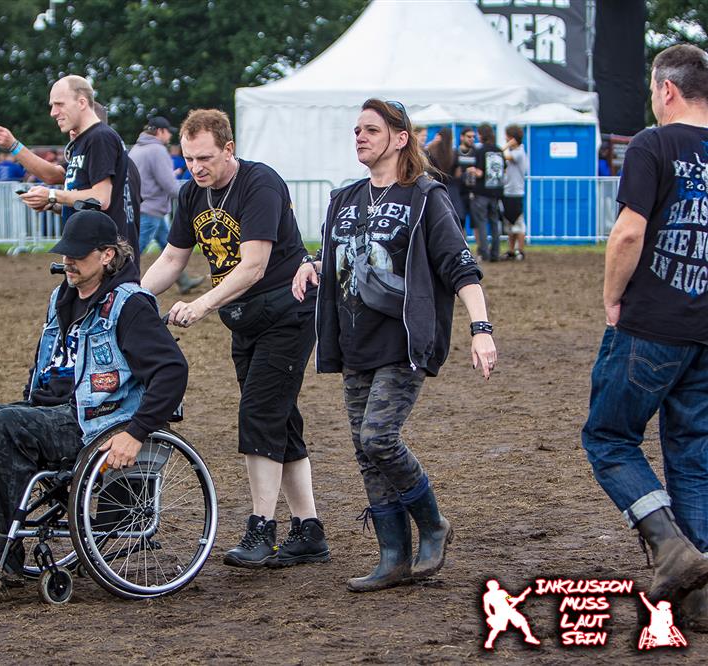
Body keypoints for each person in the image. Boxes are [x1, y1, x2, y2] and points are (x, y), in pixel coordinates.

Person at [0, 210, 187, 583]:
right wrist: (30, 397)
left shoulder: (129, 304)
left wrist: (137, 432)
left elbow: (172, 370)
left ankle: (2, 554)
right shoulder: (61, 297)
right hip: (48, 410)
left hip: (95, 420)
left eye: (77, 253)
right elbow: (44, 362)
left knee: (6, 425)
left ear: (107, 255)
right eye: (64, 253)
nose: (67, 261)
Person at [292, 98, 495, 592]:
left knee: (378, 437)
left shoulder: (425, 195)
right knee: (366, 452)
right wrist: (313, 264)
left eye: (370, 129)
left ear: (400, 138)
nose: (358, 137)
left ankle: (432, 523)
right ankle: (392, 556)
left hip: (403, 342)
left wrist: (481, 329)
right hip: (352, 341)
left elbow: (459, 265)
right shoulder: (344, 198)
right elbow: (339, 255)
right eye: (356, 130)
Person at [142, 108, 330, 569]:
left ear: (229, 149)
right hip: (244, 319)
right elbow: (172, 258)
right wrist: (131, 297)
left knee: (259, 415)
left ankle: (260, 527)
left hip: (287, 313)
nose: (196, 167)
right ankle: (309, 530)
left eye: (205, 157)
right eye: (187, 159)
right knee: (279, 419)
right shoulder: (191, 196)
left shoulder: (260, 184)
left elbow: (254, 266)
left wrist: (203, 304)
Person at [580, 43, 708, 627]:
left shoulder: (654, 144)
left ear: (666, 90)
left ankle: (668, 544)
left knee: (608, 436)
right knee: (693, 456)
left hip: (652, 322)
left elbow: (628, 234)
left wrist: (612, 297)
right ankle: (702, 597)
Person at [0, 75, 139, 256]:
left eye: (59, 104)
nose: (53, 112)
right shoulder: (89, 142)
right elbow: (54, 177)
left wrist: (51, 195)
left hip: (102, 255)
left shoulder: (100, 138)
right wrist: (52, 203)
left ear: (82, 103)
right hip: (91, 250)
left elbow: (100, 199)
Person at [129, 116, 204, 294]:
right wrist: (192, 199)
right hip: (151, 209)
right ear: (160, 131)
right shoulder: (157, 150)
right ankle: (120, 287)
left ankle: (184, 281)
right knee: (132, 255)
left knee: (167, 244)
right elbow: (169, 184)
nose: (170, 135)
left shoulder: (136, 149)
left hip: (139, 206)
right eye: (168, 131)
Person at [469, 123, 504, 262]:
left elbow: (479, 173)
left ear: (482, 135)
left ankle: (484, 253)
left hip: (482, 193)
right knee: (495, 223)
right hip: (496, 192)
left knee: (482, 223)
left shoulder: (480, 151)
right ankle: (495, 253)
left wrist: (471, 170)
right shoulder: (499, 150)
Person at [502, 124, 528, 261]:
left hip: (516, 192)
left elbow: (504, 154)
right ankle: (511, 250)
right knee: (509, 223)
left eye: (508, 137)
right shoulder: (514, 151)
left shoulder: (519, 153)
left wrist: (507, 144)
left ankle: (520, 249)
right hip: (507, 191)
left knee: (518, 222)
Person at [454, 126, 477, 234]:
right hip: (459, 192)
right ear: (462, 137)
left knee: (477, 222)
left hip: (474, 192)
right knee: (460, 221)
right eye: (469, 136)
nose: (471, 139)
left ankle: (481, 250)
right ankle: (462, 247)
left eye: (473, 137)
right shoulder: (455, 152)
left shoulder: (476, 152)